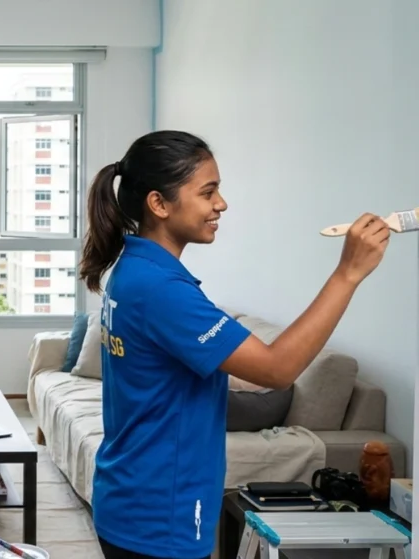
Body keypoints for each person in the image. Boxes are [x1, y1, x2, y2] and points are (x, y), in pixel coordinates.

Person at [78, 130, 389, 559]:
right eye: (208, 192)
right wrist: (347, 274)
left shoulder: (134, 270)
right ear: (159, 204)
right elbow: (277, 369)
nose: (221, 204)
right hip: (160, 512)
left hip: (134, 498)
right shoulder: (160, 289)